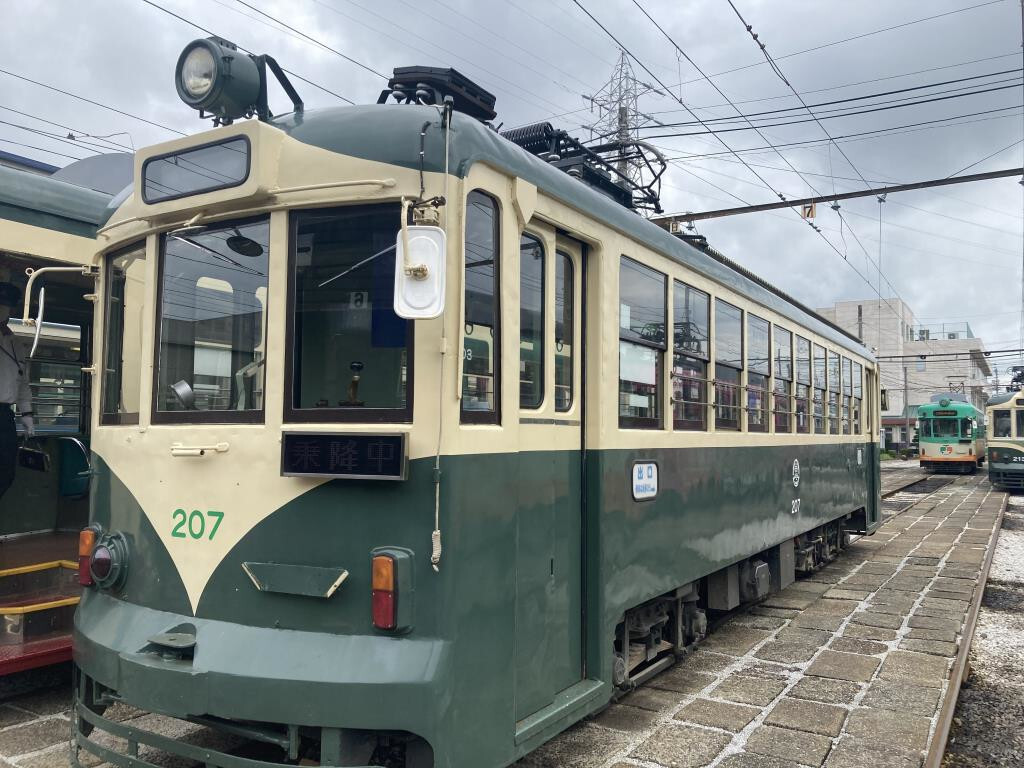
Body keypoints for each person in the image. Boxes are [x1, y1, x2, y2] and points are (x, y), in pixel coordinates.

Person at [0, 282, 33, 501]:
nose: (4, 311)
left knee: (6, 473)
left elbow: (23, 382)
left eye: (7, 306)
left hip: (4, 415)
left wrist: (27, 414)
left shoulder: (15, 343)